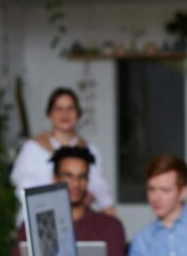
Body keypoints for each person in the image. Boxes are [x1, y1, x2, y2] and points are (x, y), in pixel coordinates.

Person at [13, 146, 127, 256]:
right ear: (55, 180)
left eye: (82, 177)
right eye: (69, 176)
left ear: (88, 182)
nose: (76, 184)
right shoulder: (31, 226)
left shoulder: (110, 226)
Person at [10, 88, 115, 222]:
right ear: (50, 114)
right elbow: (23, 188)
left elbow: (100, 189)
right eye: (58, 109)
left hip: (77, 222)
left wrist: (108, 211)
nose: (65, 114)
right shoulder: (33, 148)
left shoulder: (89, 150)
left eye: (70, 108)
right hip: (37, 219)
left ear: (78, 114)